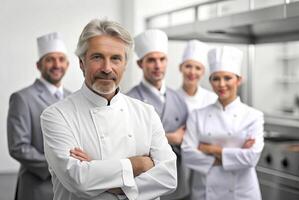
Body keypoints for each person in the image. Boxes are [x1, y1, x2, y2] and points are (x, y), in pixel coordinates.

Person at [40, 19, 177, 200]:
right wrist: (137, 165)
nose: (106, 68)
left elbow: (169, 178)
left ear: (125, 64)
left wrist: (100, 173)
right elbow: (78, 179)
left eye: (115, 58)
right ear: (82, 63)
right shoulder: (56, 115)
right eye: (97, 57)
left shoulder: (146, 112)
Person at [181, 46, 264, 200]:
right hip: (205, 192)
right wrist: (234, 155)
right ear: (210, 81)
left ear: (238, 80)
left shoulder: (253, 116)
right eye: (216, 78)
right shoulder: (197, 115)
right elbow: (188, 155)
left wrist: (210, 149)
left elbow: (251, 157)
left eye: (227, 78)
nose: (221, 84)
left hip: (241, 193)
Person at [7, 32, 71, 200]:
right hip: (39, 189)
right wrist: (62, 167)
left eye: (61, 59)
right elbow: (18, 147)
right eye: (50, 59)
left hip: (72, 189)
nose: (57, 64)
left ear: (68, 64)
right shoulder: (22, 98)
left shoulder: (73, 98)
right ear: (38, 65)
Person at [127, 29, 189, 200]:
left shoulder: (178, 98)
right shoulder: (129, 99)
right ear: (140, 64)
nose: (158, 65)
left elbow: (187, 137)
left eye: (162, 59)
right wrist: (171, 138)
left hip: (177, 181)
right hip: (145, 182)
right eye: (151, 60)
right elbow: (128, 142)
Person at [177, 40, 217, 113]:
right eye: (188, 66)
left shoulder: (212, 99)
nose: (192, 72)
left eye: (198, 68)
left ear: (203, 72)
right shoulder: (171, 98)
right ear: (180, 68)